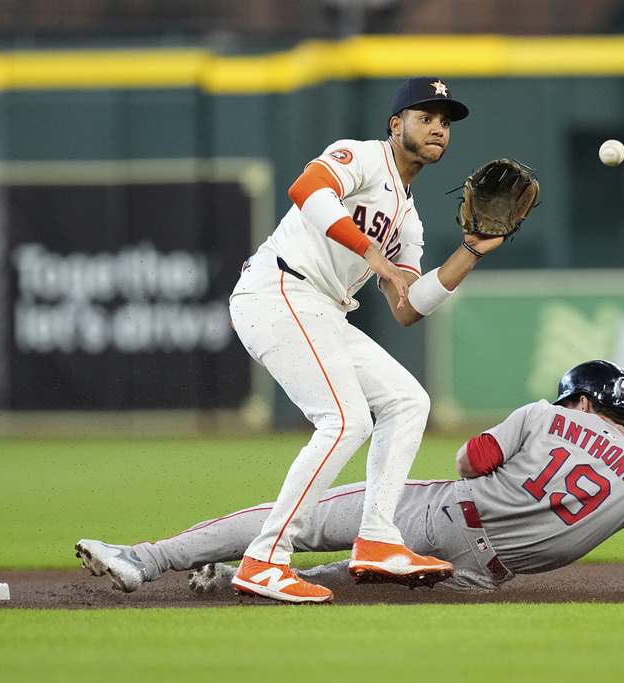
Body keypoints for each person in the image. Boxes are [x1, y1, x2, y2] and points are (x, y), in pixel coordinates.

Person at [75, 360, 624, 600]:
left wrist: (496, 454)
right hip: (480, 576)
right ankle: (227, 577)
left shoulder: (544, 412)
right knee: (351, 582)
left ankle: (148, 557)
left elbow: (472, 457)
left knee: (296, 515)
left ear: (580, 399)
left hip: (444, 514)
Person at [227, 76, 511, 603]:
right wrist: (373, 254)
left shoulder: (409, 219)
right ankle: (265, 558)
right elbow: (306, 189)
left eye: (445, 122)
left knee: (408, 401)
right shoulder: (361, 156)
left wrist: (469, 252)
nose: (438, 128)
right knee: (345, 421)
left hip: (322, 310)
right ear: (396, 124)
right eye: (425, 117)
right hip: (278, 289)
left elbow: (407, 307)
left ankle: (378, 536)